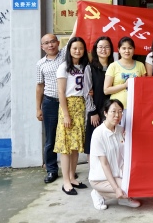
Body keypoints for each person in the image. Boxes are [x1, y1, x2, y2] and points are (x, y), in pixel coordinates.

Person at [55, 36, 96, 195]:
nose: (78, 51)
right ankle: (66, 181)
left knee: (75, 145)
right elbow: (61, 92)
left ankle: (72, 177)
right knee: (66, 146)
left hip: (81, 106)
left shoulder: (85, 66)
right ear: (69, 50)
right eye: (74, 48)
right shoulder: (64, 67)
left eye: (80, 48)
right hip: (68, 106)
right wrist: (66, 115)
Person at [35, 26, 74, 184]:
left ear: (58, 43)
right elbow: (39, 86)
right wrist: (38, 108)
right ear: (42, 47)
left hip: (67, 103)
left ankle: (70, 171)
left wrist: (80, 18)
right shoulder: (40, 64)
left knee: (68, 136)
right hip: (50, 103)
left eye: (52, 41)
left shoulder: (65, 55)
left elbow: (73, 35)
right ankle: (52, 170)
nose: (50, 45)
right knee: (51, 138)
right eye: (46, 43)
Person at [89, 99, 141, 210]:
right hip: (101, 178)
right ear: (105, 113)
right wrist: (116, 188)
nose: (117, 115)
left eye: (120, 111)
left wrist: (128, 140)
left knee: (138, 187)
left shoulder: (121, 130)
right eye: (113, 111)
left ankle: (123, 198)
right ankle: (99, 193)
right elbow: (104, 164)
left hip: (119, 174)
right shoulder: (98, 134)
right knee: (127, 189)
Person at [104, 37, 146, 125]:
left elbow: (145, 88)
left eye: (130, 48)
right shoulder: (113, 66)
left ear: (134, 50)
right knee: (118, 133)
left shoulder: (140, 65)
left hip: (136, 107)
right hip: (118, 109)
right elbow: (106, 90)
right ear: (119, 50)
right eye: (124, 48)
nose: (127, 51)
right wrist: (125, 85)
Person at [84, 36, 114, 158]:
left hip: (112, 110)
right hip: (96, 110)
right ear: (95, 50)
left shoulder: (115, 66)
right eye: (100, 47)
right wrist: (93, 112)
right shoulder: (90, 68)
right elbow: (87, 92)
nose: (103, 50)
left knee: (110, 142)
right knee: (93, 143)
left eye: (106, 47)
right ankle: (93, 169)